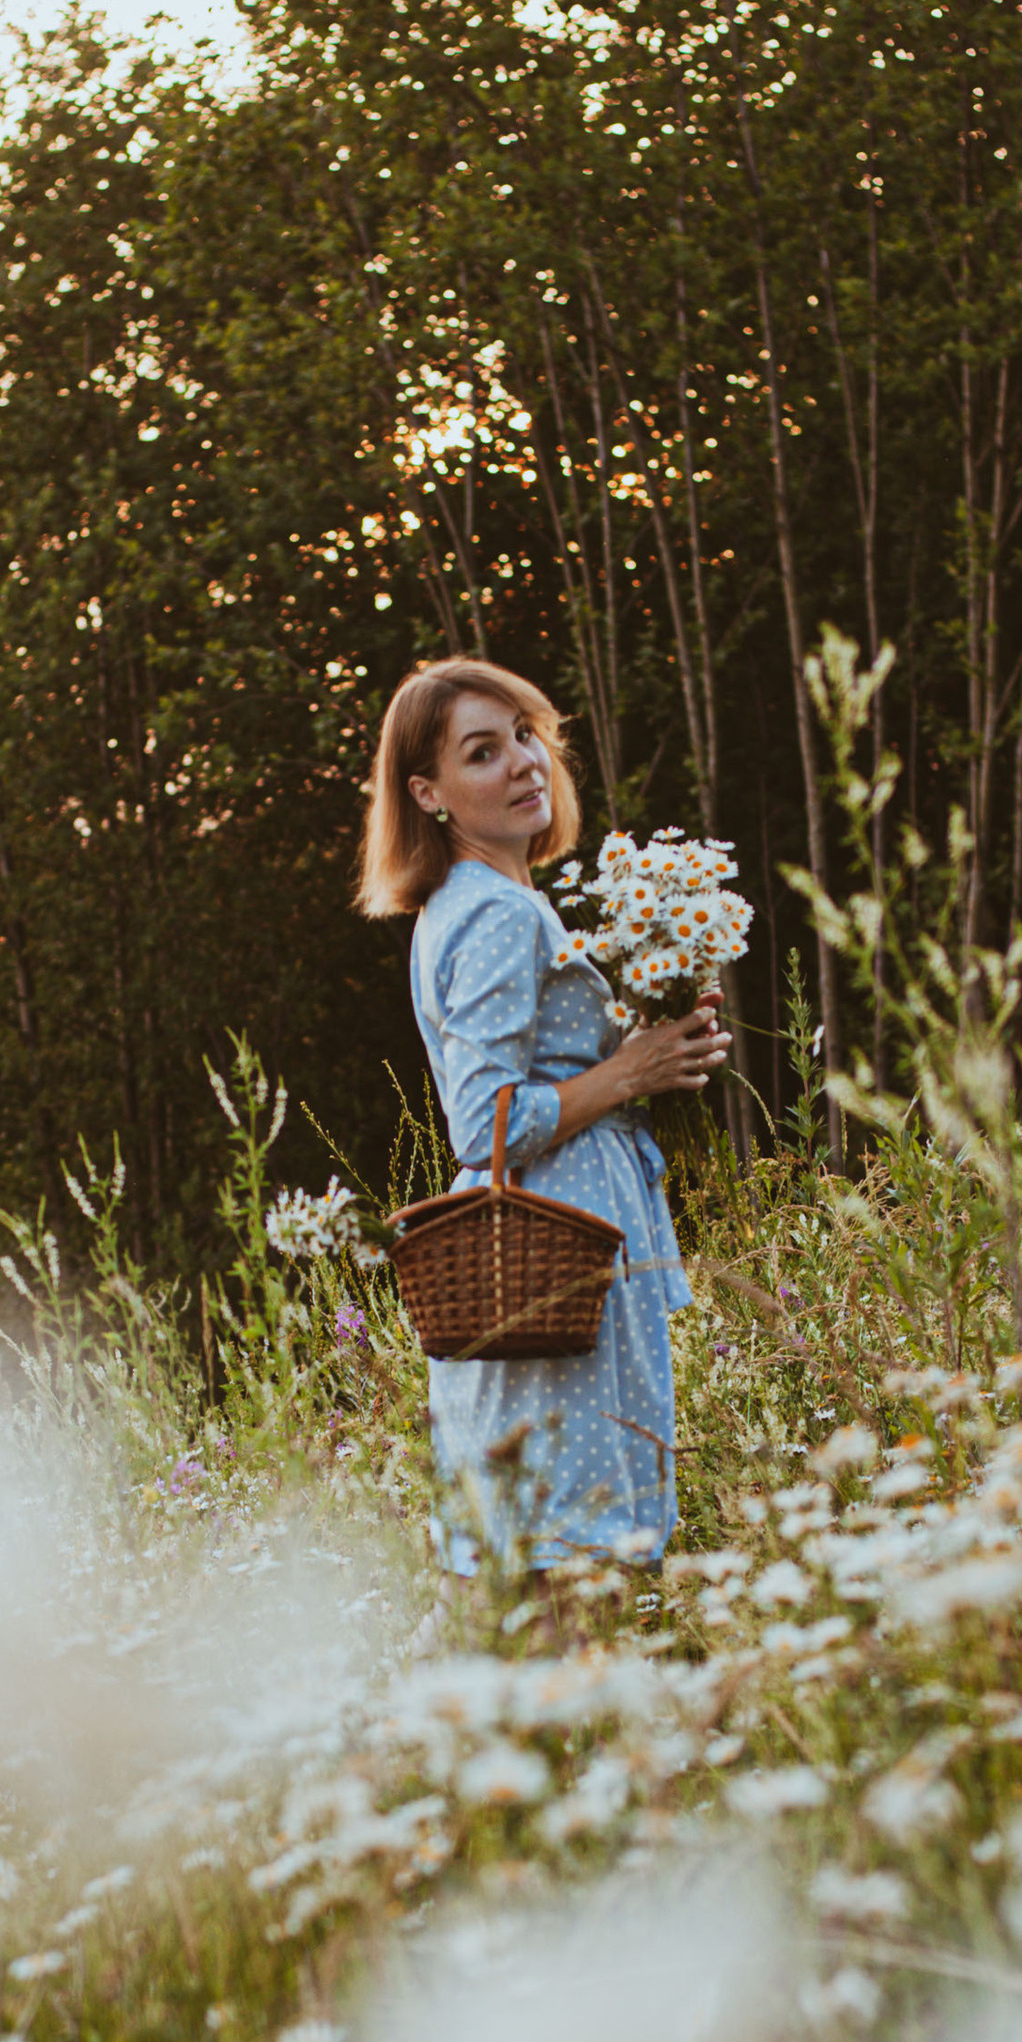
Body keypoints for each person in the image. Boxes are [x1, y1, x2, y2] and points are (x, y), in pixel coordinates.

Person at [357, 656, 730, 1568]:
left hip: (548, 1249)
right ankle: (577, 1712)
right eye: (482, 752)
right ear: (429, 793)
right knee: (574, 1552)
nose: (523, 762)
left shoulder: (474, 905)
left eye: (526, 735)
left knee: (536, 1546)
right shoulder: (497, 917)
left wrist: (653, 1038)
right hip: (551, 1245)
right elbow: (486, 1122)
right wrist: (632, 1072)